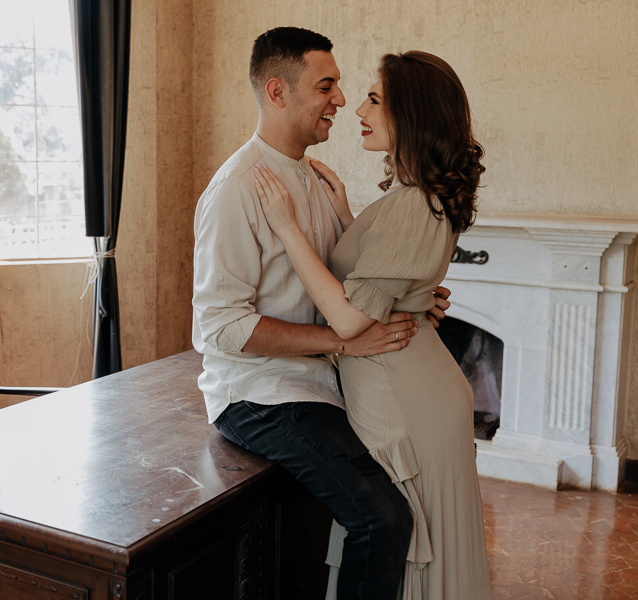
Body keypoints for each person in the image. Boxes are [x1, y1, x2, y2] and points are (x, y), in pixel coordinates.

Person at [192, 27, 450, 599]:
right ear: (278, 92)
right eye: (327, 86)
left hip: (322, 387)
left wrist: (408, 297)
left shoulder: (313, 178)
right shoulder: (236, 188)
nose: (341, 99)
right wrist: (341, 343)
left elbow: (347, 288)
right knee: (384, 518)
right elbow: (220, 328)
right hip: (262, 397)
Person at [254, 51, 492, 599]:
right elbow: (384, 274)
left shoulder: (415, 204)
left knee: (412, 558)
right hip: (408, 382)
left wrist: (289, 228)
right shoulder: (413, 196)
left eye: (375, 99)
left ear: (412, 115)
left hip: (405, 400)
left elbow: (345, 315)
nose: (357, 107)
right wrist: (345, 216)